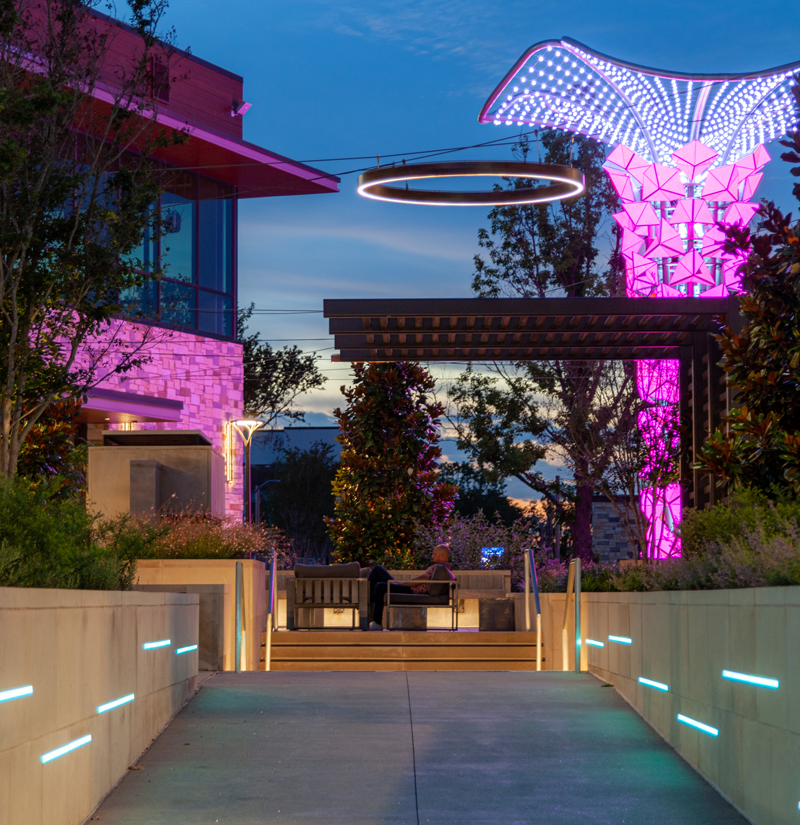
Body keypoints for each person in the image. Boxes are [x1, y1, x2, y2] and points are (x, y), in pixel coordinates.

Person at [367, 544, 456, 631]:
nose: (432, 556)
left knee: (380, 586)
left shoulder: (439, 567)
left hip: (414, 591)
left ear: (442, 555)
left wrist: (402, 585)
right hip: (414, 590)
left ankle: (377, 621)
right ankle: (370, 597)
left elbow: (423, 579)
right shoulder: (444, 568)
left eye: (434, 554)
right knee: (377, 571)